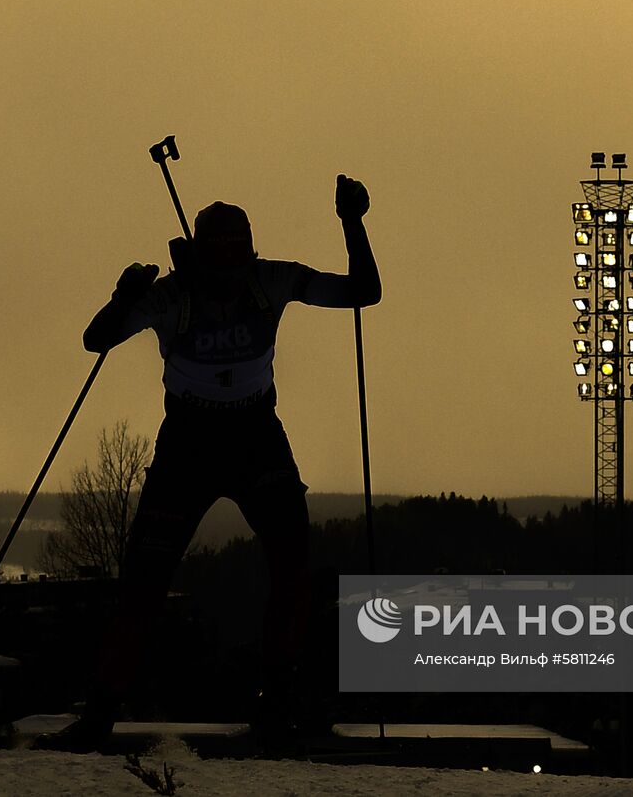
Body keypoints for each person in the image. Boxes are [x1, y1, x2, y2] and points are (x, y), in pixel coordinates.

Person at [40, 174, 379, 753]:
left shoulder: (233, 284)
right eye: (219, 259)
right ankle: (113, 712)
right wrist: (352, 222)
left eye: (234, 257)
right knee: (153, 583)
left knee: (283, 570)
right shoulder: (210, 288)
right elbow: (96, 339)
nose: (226, 274)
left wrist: (353, 223)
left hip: (236, 436)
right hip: (207, 441)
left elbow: (363, 293)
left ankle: (263, 705)